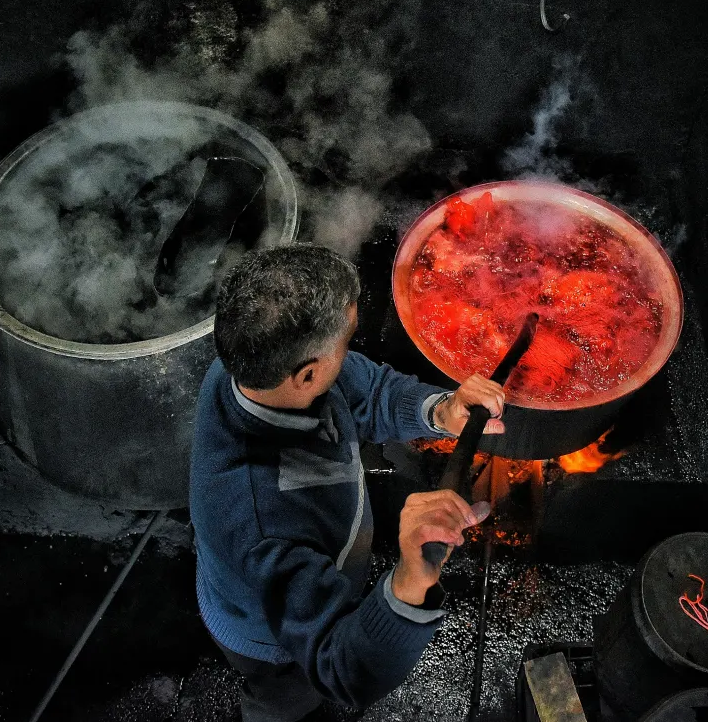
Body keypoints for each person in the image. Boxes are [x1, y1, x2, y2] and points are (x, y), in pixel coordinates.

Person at [189, 243, 508, 722]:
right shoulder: (260, 521)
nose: (351, 351)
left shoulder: (252, 366)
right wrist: (408, 580)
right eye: (346, 341)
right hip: (270, 639)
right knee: (288, 698)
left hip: (300, 572)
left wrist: (441, 411)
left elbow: (368, 389)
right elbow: (343, 669)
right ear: (308, 373)